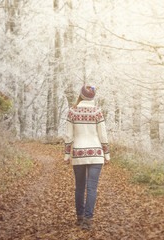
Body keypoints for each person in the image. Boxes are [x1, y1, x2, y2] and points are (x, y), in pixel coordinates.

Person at [64, 85, 110, 230]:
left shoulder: (72, 112)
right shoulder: (97, 111)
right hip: (96, 154)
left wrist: (66, 154)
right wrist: (107, 153)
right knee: (91, 188)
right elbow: (103, 134)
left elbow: (68, 135)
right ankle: (88, 220)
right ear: (93, 97)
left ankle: (79, 217)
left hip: (78, 153)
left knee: (79, 187)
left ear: (81, 95)